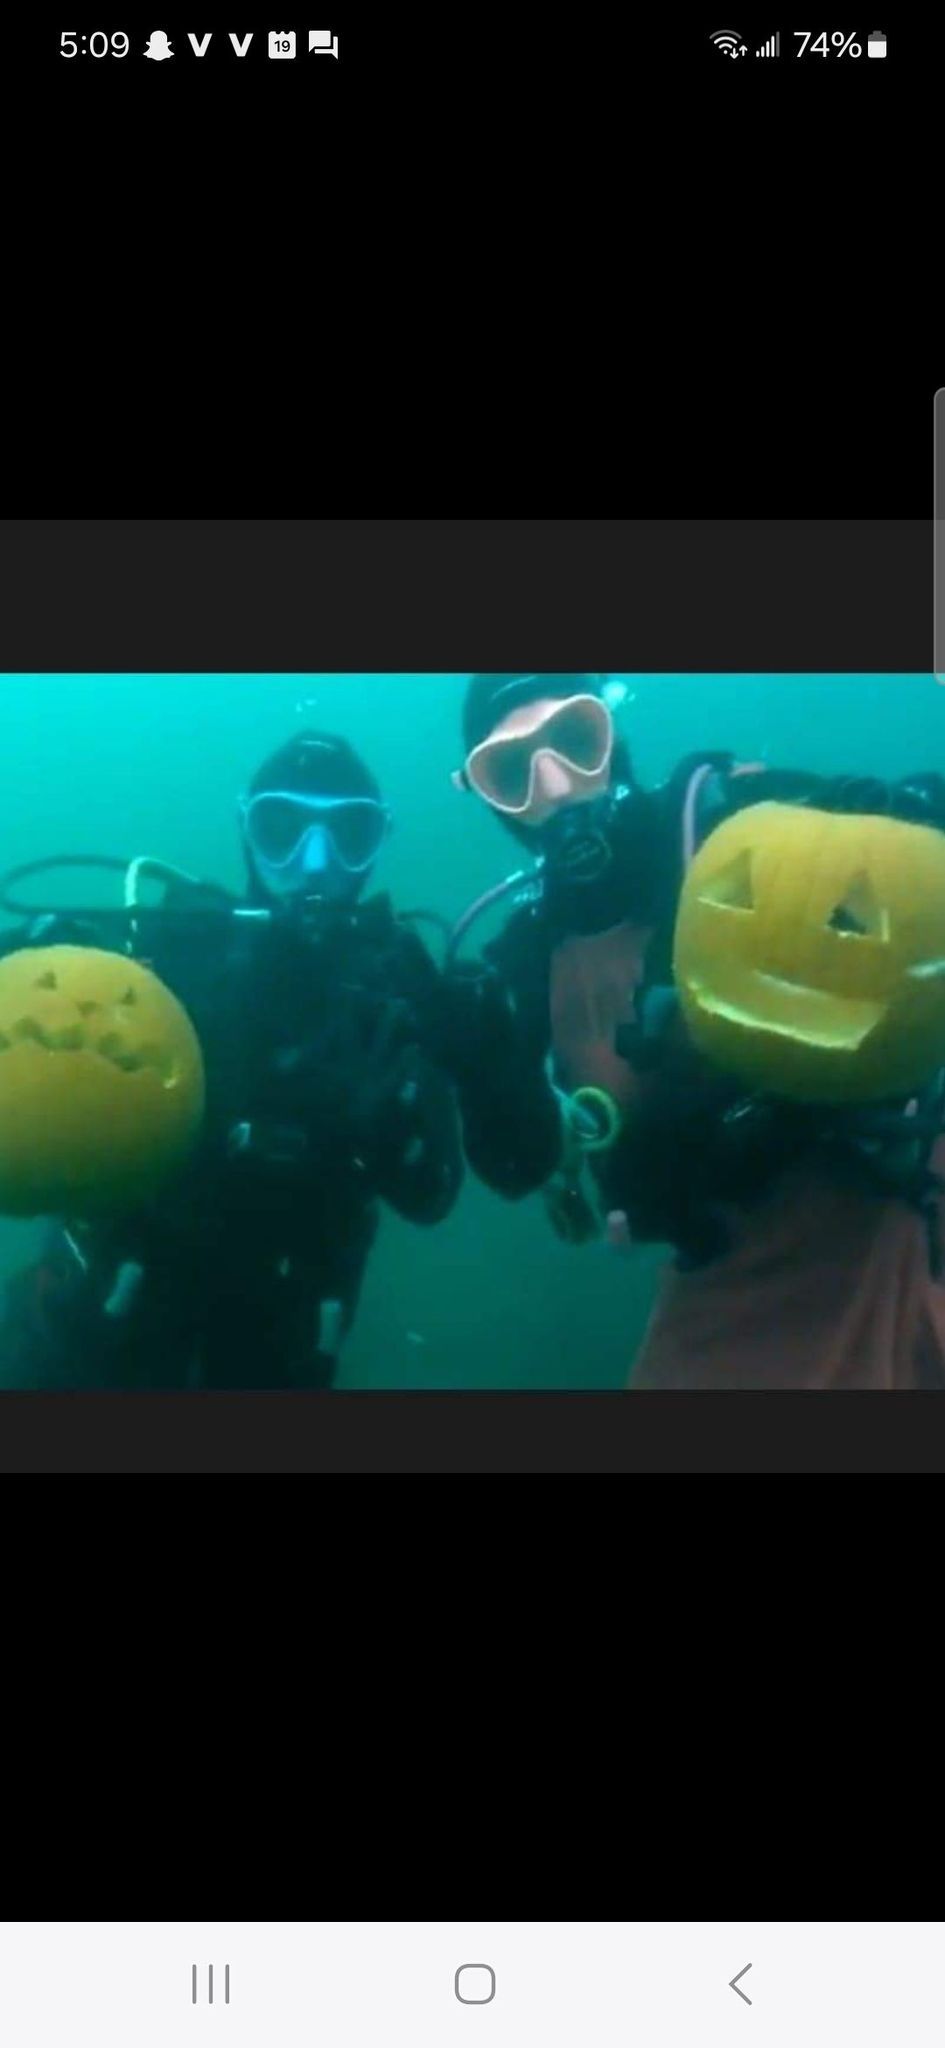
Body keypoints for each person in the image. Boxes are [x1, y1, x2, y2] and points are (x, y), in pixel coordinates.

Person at [442, 671, 945, 1389]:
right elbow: (516, 1166)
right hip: (738, 1281)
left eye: (573, 740)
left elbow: (881, 871)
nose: (553, 788)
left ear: (613, 741)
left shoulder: (726, 827)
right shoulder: (523, 964)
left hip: (912, 1183)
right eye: (510, 771)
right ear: (488, 799)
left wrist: (904, 822)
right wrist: (477, 1071)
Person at [0, 731, 463, 1388]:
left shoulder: (393, 987)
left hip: (281, 1336)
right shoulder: (172, 945)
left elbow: (433, 1193)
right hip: (101, 1321)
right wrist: (47, 960)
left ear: (377, 844)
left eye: (347, 834)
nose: (313, 863)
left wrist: (393, 1127)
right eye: (283, 828)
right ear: (246, 831)